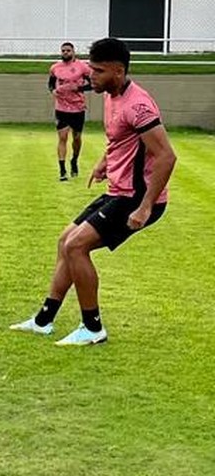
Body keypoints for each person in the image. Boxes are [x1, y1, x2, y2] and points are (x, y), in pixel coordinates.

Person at [11, 37, 177, 346]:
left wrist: (145, 206)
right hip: (118, 191)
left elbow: (166, 156)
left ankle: (92, 327)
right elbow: (122, 139)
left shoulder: (138, 105)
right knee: (65, 241)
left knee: (76, 247)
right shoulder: (112, 94)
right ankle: (43, 321)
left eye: (98, 71)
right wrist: (104, 162)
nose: (91, 76)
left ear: (117, 70)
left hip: (134, 199)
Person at [48, 42, 92, 181]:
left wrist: (78, 89)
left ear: (73, 52)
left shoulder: (82, 67)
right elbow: (50, 83)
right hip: (61, 107)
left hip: (77, 107)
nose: (65, 53)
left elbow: (93, 84)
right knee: (62, 138)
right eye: (63, 51)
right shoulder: (55, 67)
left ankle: (74, 161)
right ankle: (62, 171)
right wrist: (53, 91)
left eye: (68, 50)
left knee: (77, 138)